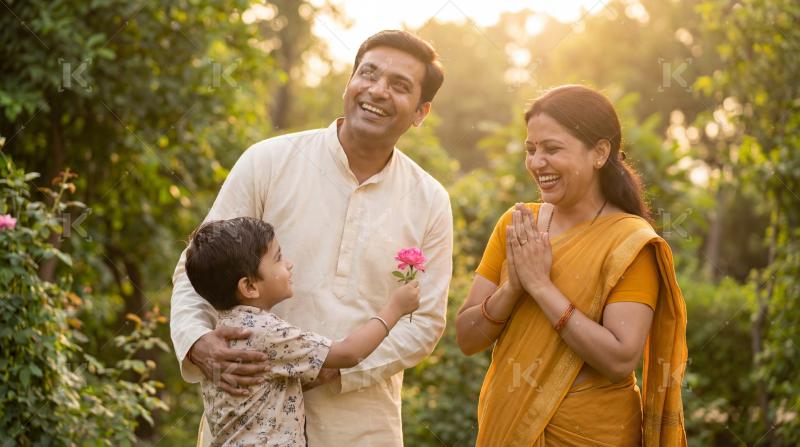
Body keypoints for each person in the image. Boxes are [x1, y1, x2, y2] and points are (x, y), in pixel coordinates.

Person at [170, 30, 453, 447]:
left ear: (420, 111)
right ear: (349, 81)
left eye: (399, 85)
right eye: (367, 73)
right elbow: (194, 271)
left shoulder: (429, 200)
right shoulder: (268, 161)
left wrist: (335, 369)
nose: (376, 90)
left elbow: (424, 322)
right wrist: (198, 344)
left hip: (360, 427)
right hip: (246, 422)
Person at [455, 85, 687, 446]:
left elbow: (619, 359)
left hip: (594, 434)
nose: (536, 162)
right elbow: (467, 338)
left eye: (552, 149)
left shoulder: (629, 242)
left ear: (599, 153)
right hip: (507, 426)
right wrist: (512, 287)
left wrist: (541, 287)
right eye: (531, 150)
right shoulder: (517, 226)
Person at [184, 217, 420, 446]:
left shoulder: (221, 334)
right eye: (278, 259)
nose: (288, 264)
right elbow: (348, 353)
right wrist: (394, 308)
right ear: (249, 286)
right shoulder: (268, 332)